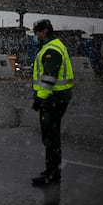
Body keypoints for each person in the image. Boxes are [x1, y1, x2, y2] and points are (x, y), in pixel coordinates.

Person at [31, 19, 74, 186]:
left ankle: (52, 173)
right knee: (51, 137)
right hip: (57, 98)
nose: (36, 36)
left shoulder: (51, 50)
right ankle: (52, 170)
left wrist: (40, 98)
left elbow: (49, 77)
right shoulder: (53, 46)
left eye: (38, 32)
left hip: (53, 99)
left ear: (45, 32)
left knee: (50, 137)